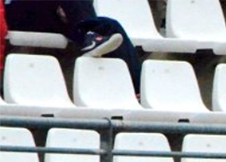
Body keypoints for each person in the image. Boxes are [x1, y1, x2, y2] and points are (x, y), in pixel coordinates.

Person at [3, 0, 142, 93]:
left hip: (41, 12)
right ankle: (88, 34)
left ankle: (138, 91)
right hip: (10, 10)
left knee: (110, 26)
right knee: (100, 26)